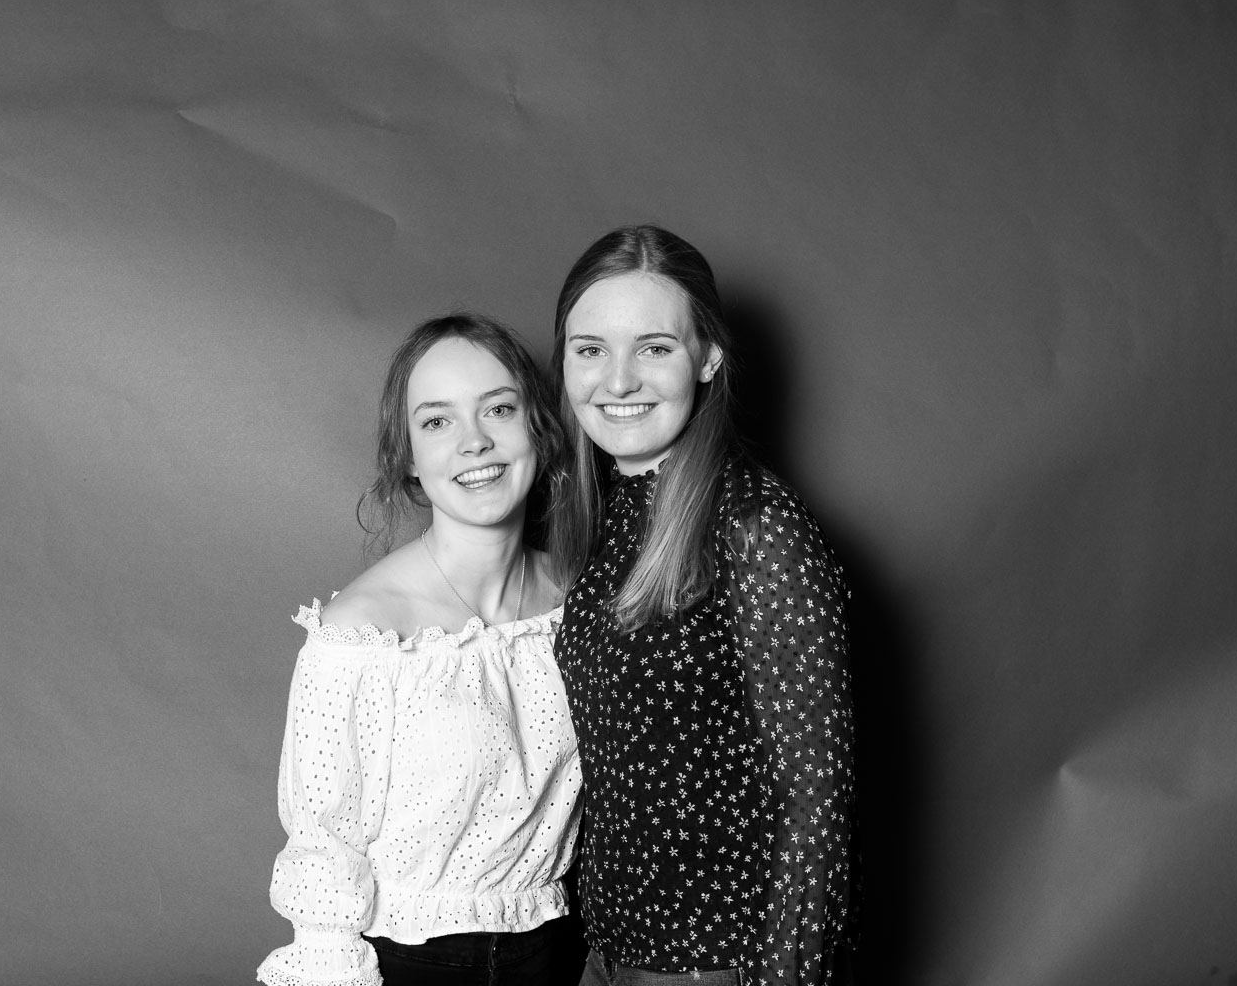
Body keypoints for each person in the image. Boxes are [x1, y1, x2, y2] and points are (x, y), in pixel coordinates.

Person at [548, 225, 857, 986]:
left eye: (654, 348)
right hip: (607, 952)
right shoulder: (599, 512)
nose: (618, 380)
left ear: (708, 358)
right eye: (591, 349)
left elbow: (816, 794)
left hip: (713, 964)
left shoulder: (755, 523)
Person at [257, 314, 583, 986]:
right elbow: (323, 847)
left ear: (539, 428)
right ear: (406, 456)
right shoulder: (363, 635)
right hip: (412, 961)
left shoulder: (580, 599)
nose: (474, 441)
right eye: (437, 421)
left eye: (498, 409)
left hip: (562, 952)